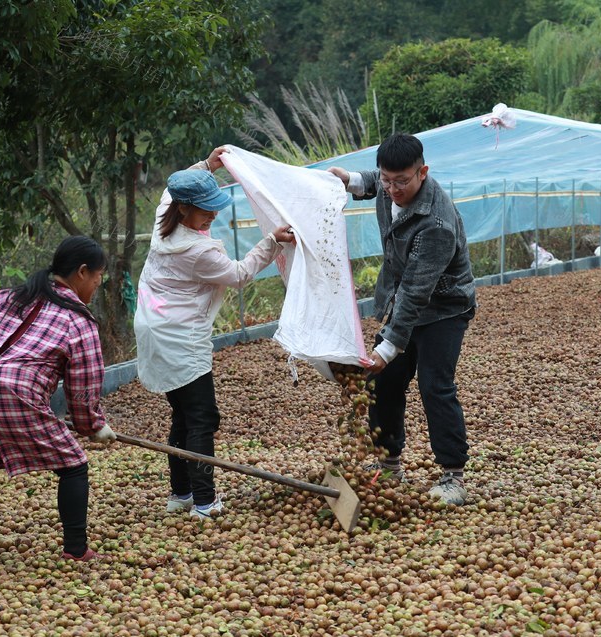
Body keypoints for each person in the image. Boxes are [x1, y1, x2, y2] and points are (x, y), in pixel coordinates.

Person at [135, 146, 294, 521]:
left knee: (183, 415)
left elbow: (171, 189)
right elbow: (238, 274)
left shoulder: (165, 216)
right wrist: (272, 241)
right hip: (179, 336)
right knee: (203, 418)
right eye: (206, 207)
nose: (213, 213)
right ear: (185, 208)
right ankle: (205, 503)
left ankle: (181, 493)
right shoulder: (194, 250)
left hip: (155, 326)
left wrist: (207, 166)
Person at [0, 236, 115, 561]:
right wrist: (92, 425)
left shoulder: (14, 297)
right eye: (98, 278)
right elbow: (84, 384)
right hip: (15, 393)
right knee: (73, 465)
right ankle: (76, 549)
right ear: (82, 272)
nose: (97, 285)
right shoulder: (79, 320)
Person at [328, 133, 477, 505]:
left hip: (444, 307)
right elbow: (372, 182)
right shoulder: (389, 183)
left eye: (402, 181)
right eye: (387, 180)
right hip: (403, 298)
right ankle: (388, 462)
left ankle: (452, 475)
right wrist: (347, 180)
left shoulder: (436, 223)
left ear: (422, 172)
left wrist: (389, 346)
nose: (392, 189)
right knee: (386, 381)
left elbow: (416, 292)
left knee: (434, 385)